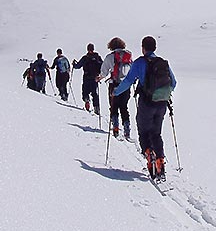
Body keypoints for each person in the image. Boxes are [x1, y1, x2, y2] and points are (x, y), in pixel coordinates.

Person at [113, 36, 176, 182]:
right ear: (154, 47)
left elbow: (128, 81)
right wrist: (162, 94)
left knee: (144, 130)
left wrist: (116, 92)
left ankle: (149, 155)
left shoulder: (140, 63)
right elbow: (173, 83)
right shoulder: (163, 63)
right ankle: (160, 160)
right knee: (156, 133)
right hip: (162, 103)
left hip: (146, 103)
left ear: (143, 48)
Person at [98, 37, 132, 139]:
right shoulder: (128, 55)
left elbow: (104, 71)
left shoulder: (110, 57)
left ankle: (115, 127)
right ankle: (126, 128)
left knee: (114, 106)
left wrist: (100, 77)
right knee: (124, 107)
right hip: (125, 85)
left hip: (114, 84)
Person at [72, 43, 103, 114]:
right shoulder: (98, 57)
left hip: (86, 77)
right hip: (95, 78)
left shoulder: (85, 58)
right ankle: (96, 107)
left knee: (85, 91)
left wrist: (74, 65)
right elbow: (103, 66)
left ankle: (87, 101)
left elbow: (78, 66)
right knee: (95, 93)